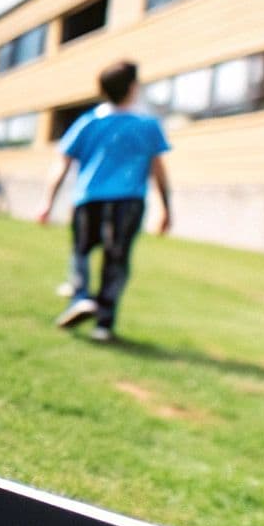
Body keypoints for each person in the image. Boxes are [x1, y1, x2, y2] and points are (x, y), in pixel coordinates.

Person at [36, 60, 172, 342]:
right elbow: (158, 170)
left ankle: (81, 295)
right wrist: (165, 209)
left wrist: (47, 202)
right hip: (129, 201)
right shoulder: (147, 126)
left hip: (88, 197)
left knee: (81, 251)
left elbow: (61, 164)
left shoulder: (88, 123)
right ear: (133, 88)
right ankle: (103, 323)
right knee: (116, 259)